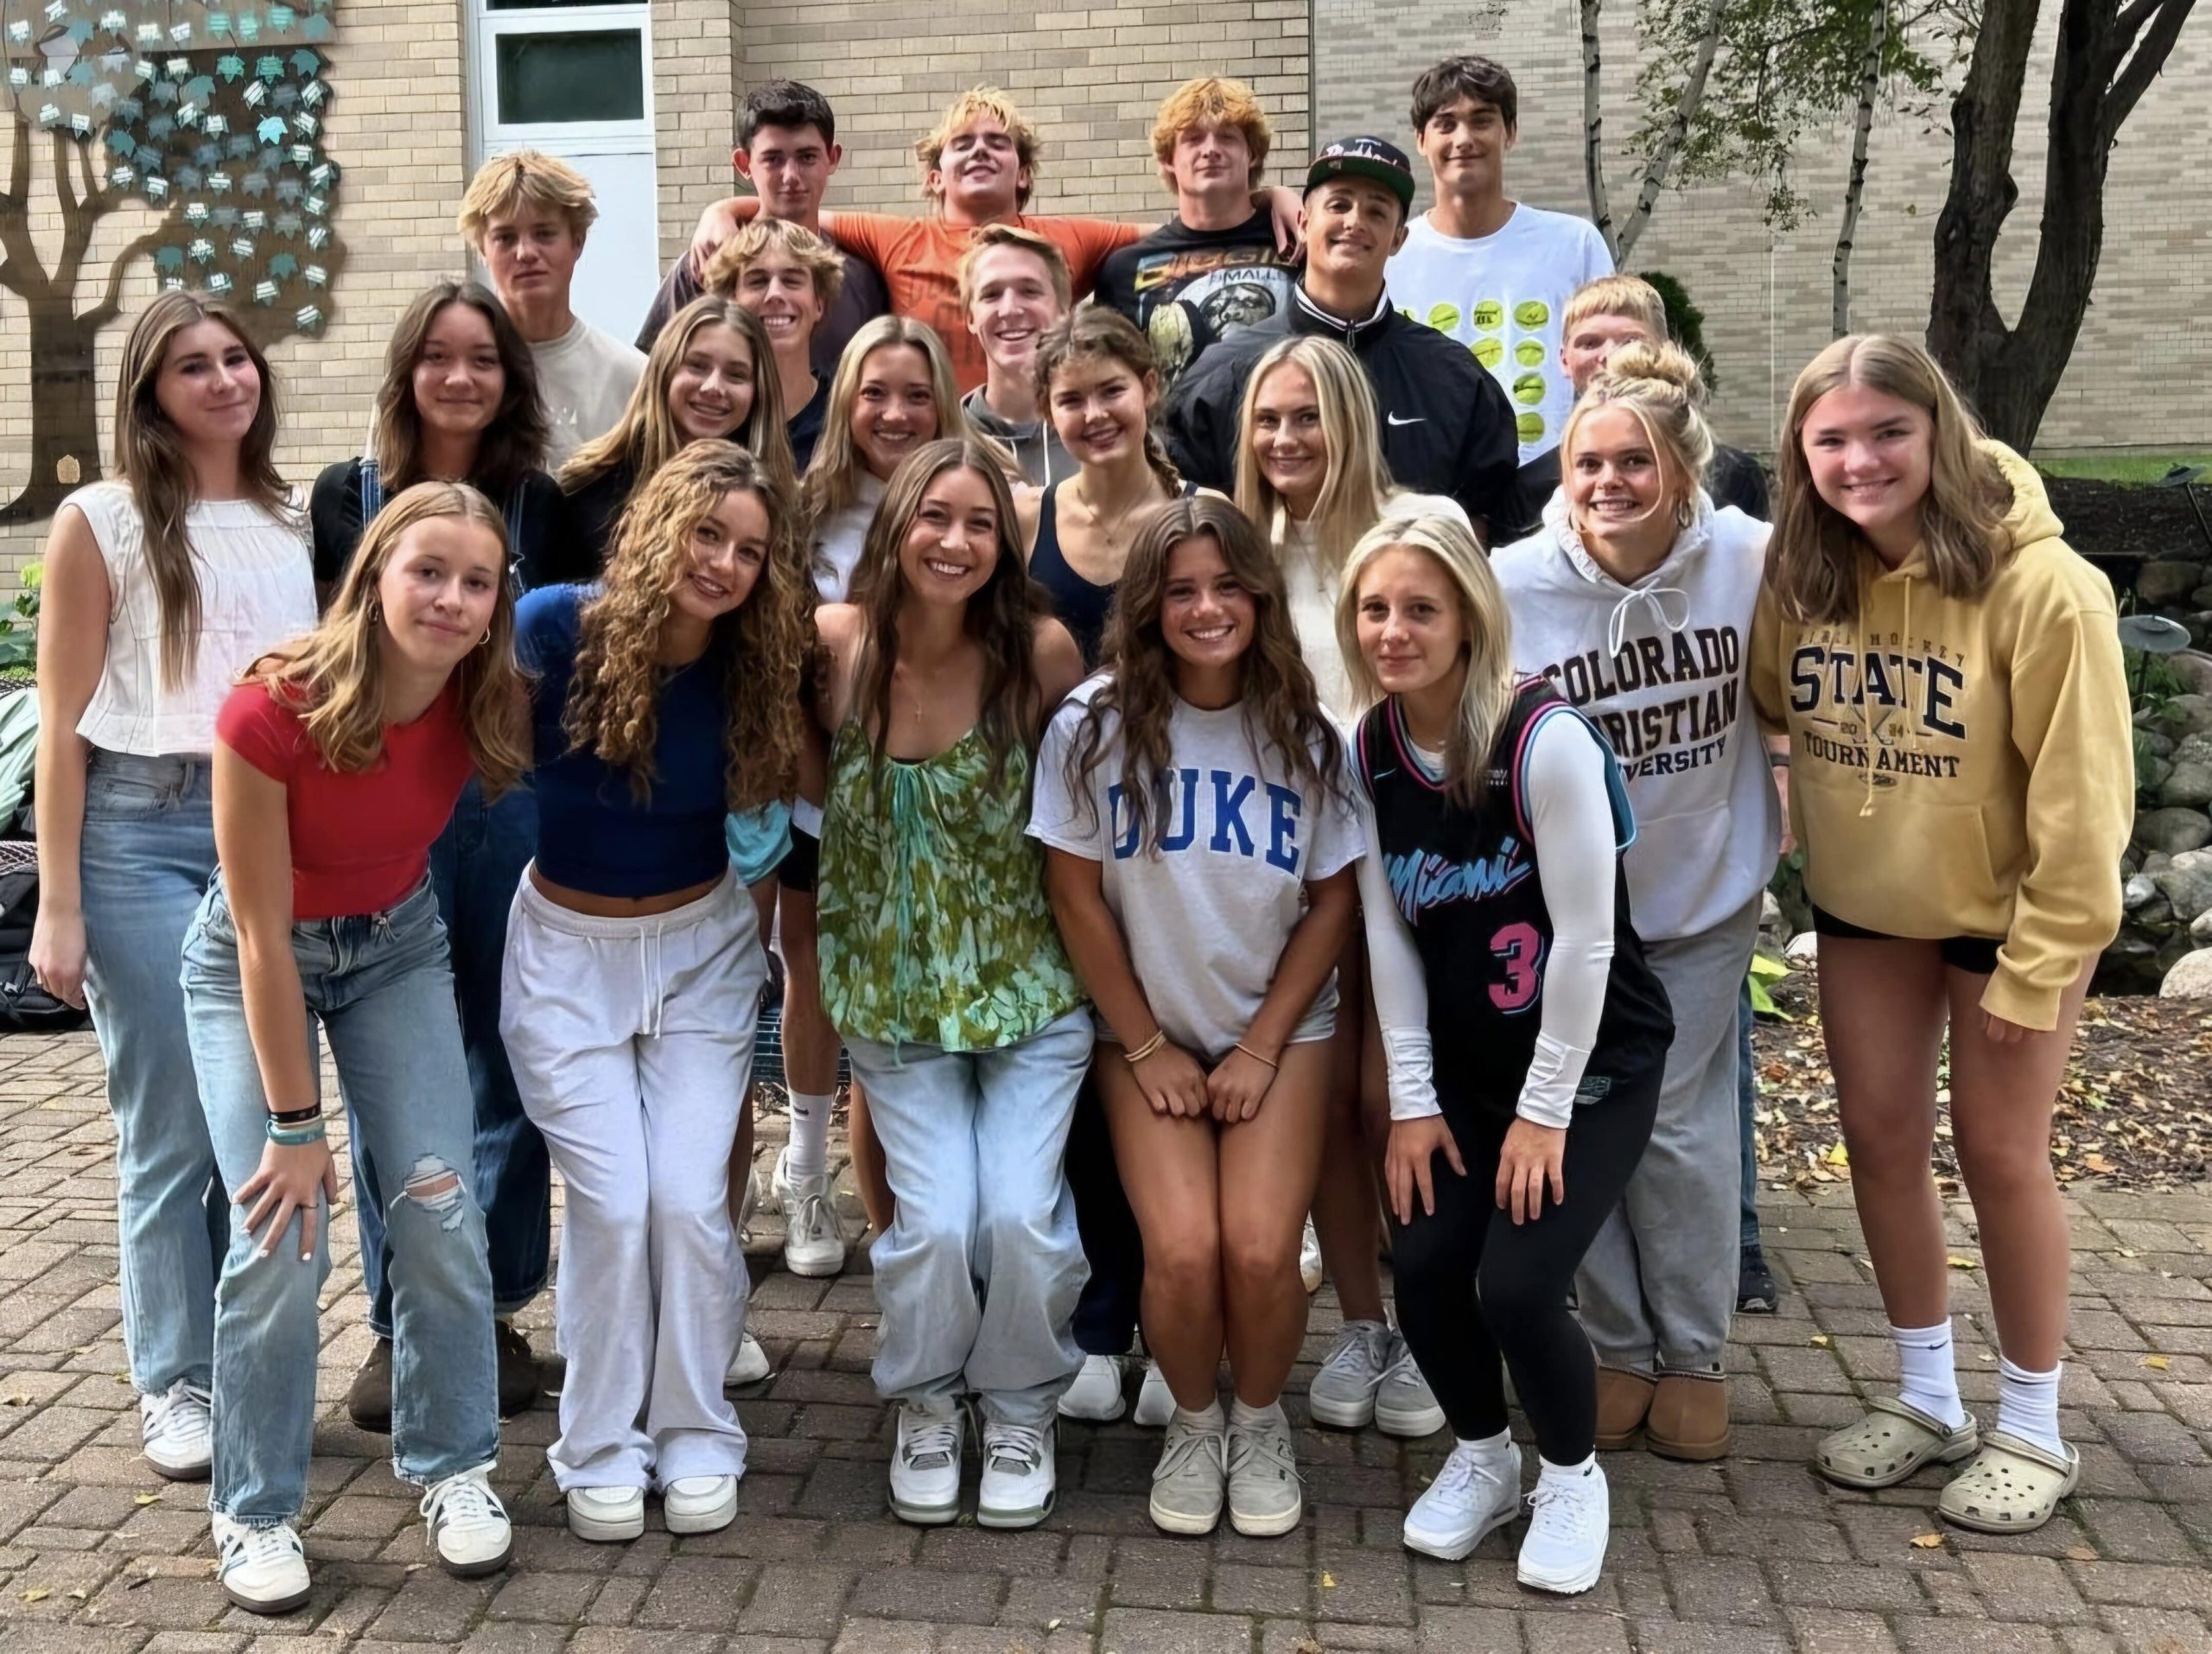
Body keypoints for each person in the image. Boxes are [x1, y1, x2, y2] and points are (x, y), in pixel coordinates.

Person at [1750, 334, 2131, 1535]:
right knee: (1877, 1141)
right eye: (1832, 440)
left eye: (1886, 433)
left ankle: (2032, 1418)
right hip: (1871, 907)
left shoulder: (2044, 586)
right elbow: (1769, 691)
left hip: (2004, 919)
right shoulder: (1807, 572)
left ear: (1939, 430)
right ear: (1801, 456)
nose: (1860, 461)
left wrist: (2043, 959)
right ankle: (1926, 1397)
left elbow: (2086, 802)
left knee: (2002, 1155)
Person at [180, 481, 527, 1612]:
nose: (451, 597)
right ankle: (256, 1504)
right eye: (428, 569)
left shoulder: (486, 697)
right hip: (254, 955)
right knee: (281, 1232)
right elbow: (254, 934)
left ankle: (455, 1461)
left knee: (436, 1205)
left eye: (476, 580)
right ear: (374, 572)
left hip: (394, 946)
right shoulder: (271, 706)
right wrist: (296, 1127)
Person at [1343, 509, 1671, 1594]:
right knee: (1429, 1263)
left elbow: (1586, 938)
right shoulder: (1371, 746)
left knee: (1519, 1286)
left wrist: (1544, 1112)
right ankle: (1484, 1458)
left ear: (1471, 616)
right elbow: (1387, 928)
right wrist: (1411, 1099)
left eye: (1420, 608)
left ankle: (1571, 1475)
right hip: (1462, 1071)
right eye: (1375, 608)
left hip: (1590, 1064)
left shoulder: (1545, 738)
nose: (1394, 630)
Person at [29, 290, 317, 1485]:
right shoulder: (98, 518)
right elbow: (60, 720)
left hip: (265, 830)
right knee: (171, 1128)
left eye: (236, 358)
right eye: (192, 366)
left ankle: (236, 1361)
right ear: (150, 391)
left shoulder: (295, 515)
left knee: (251, 1119)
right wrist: (59, 899)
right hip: (138, 835)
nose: (223, 380)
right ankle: (174, 1380)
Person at [502, 441, 810, 1543]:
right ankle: (596, 1444)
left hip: (699, 950)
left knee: (687, 1201)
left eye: (747, 552)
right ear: (656, 525)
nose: (722, 564)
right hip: (565, 954)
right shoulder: (550, 626)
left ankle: (694, 1431)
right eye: (705, 533)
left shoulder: (754, 662)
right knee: (613, 1202)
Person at [1034, 496, 1360, 1538]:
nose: (1207, 608)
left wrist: (1263, 1045)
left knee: (1261, 1252)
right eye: (1180, 590)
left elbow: (1334, 900)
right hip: (1146, 1033)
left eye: (1227, 587)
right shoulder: (1091, 723)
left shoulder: (1306, 732)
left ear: (1261, 596)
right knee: (1180, 1252)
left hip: (1282, 1031)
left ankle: (1258, 1418)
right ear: (1146, 604)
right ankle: (1193, 1416)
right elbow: (1074, 897)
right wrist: (1141, 1044)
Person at [1493, 341, 1778, 1462]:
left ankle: (1694, 1354)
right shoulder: (1518, 582)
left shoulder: (1749, 560)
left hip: (1704, 899)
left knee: (1670, 1124)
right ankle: (1616, 1344)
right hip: (1572, 909)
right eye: (1587, 462)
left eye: (1634, 462)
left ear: (1686, 469)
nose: (1607, 482)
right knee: (1581, 1115)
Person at [813, 438, 1090, 1529]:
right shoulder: (835, 650)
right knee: (934, 1225)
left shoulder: (1042, 656)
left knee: (1018, 1218)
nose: (956, 541)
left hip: (1028, 994)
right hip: (893, 1003)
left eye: (981, 523)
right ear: (896, 525)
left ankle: (1019, 1404)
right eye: (936, 516)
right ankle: (927, 1398)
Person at [308, 279, 569, 1434]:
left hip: (508, 790)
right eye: (439, 356)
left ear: (511, 378)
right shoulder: (341, 495)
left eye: (484, 359)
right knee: (388, 1063)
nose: (461, 377)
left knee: (505, 1047)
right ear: (408, 369)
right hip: (382, 796)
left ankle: (500, 1306)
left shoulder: (545, 501)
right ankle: (400, 1317)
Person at [1230, 332, 1463, 1439]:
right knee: (1323, 1103)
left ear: (1351, 420)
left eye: (1306, 416)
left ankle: (1429, 1324)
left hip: (1410, 849)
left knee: (1396, 1096)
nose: (1285, 439)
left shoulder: (1415, 530)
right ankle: (1365, 1324)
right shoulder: (1245, 547)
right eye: (1267, 420)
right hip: (1289, 864)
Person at [781, 317, 990, 1240]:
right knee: (831, 988)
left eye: (916, 393)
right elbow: (781, 675)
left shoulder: (985, 497)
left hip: (949, 819)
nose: (895, 412)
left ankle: (953, 1221)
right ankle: (813, 1181)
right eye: (875, 392)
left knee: (924, 1017)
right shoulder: (800, 508)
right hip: (828, 805)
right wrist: (835, 795)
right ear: (844, 400)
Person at [687, 87, 1301, 394]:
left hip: (1042, 439)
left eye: (998, 143)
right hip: (933, 445)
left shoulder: (1070, 239)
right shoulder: (894, 236)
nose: (980, 150)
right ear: (935, 175)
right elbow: (798, 207)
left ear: (1024, 171)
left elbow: (1188, 230)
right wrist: (725, 209)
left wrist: (1269, 197)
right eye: (963, 144)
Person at [1167, 137, 1519, 539]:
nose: (1355, 221)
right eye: (1338, 205)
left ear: (1399, 239)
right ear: (1303, 222)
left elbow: (1487, 515)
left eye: (1376, 210)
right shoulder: (1225, 373)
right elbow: (1182, 506)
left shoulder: (1452, 376)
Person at [1386, 56, 1612, 467]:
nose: (1464, 138)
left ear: (1510, 133)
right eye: (1446, 123)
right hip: (1429, 493)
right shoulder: (1389, 253)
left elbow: (1613, 371)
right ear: (1421, 139)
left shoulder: (1573, 244)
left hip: (1552, 491)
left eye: (1482, 120)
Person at [636, 79, 889, 363]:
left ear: (832, 158)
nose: (791, 176)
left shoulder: (861, 278)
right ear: (744, 164)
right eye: (773, 159)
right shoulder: (703, 265)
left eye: (807, 157)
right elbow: (654, 379)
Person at [1503, 275, 1768, 541]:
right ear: (1564, 359)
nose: (1609, 355)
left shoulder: (1733, 476)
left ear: (1663, 350)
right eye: (1589, 343)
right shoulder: (1527, 489)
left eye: (1630, 341)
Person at [1092, 76, 1299, 388]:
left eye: (1227, 137)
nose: (1210, 150)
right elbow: (1109, 381)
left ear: (1252, 154)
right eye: (1193, 139)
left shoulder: (1296, 242)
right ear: (1168, 159)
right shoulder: (1124, 268)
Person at [562, 296, 795, 567]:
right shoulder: (588, 489)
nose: (713, 387)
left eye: (736, 375)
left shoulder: (784, 504)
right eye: (697, 366)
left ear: (758, 392)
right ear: (664, 371)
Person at [1019, 307, 1193, 665]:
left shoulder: (1206, 512)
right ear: (1048, 413)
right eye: (1071, 400)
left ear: (1148, 388)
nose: (1095, 414)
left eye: (1112, 391)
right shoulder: (1026, 519)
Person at [459, 149, 645, 466]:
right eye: (505, 238)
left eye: (544, 234)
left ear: (577, 241)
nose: (526, 253)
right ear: (482, 250)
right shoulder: (445, 374)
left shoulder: (631, 377)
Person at [705, 218, 846, 469]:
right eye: (757, 281)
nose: (775, 295)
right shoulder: (707, 418)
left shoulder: (846, 418)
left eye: (792, 280)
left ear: (819, 304)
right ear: (731, 301)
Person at [958, 225, 1076, 486]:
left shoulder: (1101, 430)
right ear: (970, 318)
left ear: (1063, 308)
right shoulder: (945, 436)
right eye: (991, 295)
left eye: (1030, 291)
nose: (1009, 310)